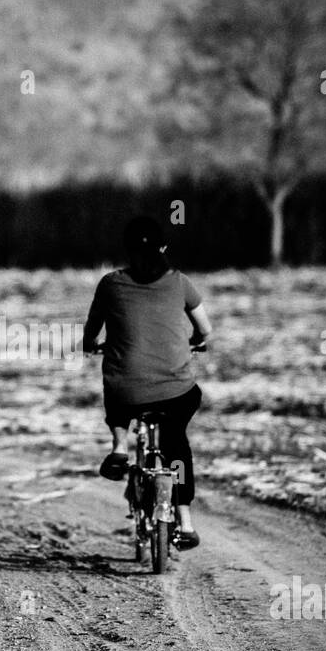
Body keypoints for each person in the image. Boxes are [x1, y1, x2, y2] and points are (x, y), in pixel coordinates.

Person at [82, 216, 211, 549]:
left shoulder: (110, 284)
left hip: (128, 392)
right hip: (175, 391)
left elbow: (92, 329)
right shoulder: (180, 282)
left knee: (118, 385)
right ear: (163, 247)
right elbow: (205, 329)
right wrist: (197, 339)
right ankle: (184, 522)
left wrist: (89, 345)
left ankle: (119, 446)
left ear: (127, 249)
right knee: (177, 447)